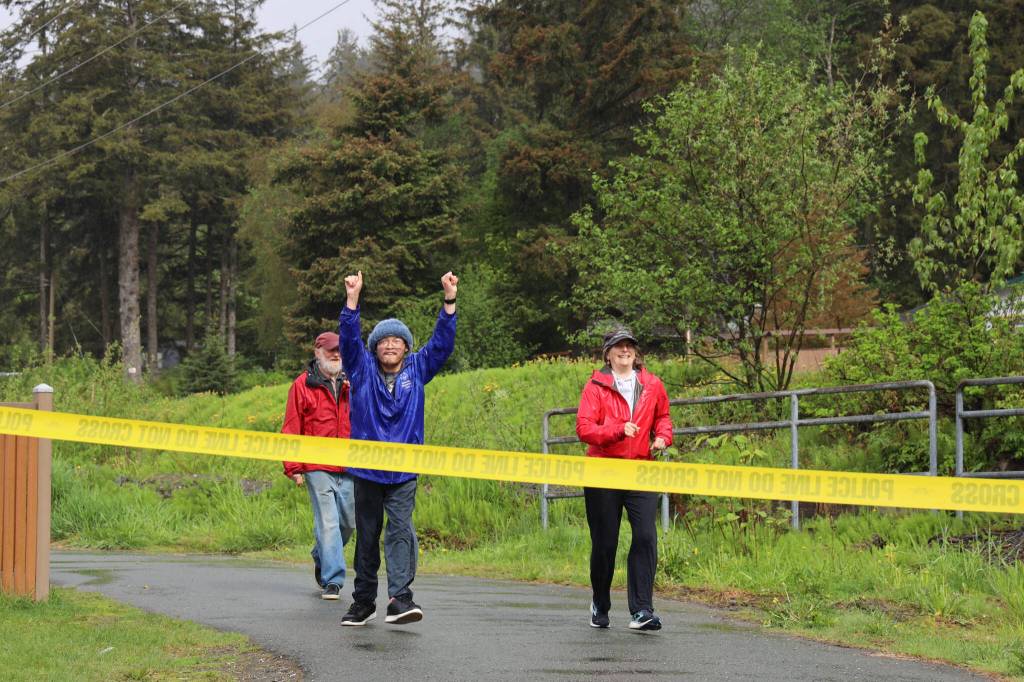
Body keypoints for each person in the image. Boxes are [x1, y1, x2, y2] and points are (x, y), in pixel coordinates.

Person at [337, 270, 458, 627]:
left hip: (404, 470)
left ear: (406, 347)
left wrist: (449, 300)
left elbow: (442, 344)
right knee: (368, 535)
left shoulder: (419, 369)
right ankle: (363, 602)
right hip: (367, 470)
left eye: (397, 341)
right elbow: (347, 339)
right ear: (374, 348)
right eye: (383, 341)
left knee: (401, 530)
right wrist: (353, 300)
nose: (390, 345)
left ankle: (401, 600)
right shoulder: (360, 369)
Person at [575, 327, 673, 631]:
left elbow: (664, 417)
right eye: (619, 346)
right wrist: (617, 430)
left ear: (636, 352)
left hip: (640, 469)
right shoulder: (595, 386)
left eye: (630, 346)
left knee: (645, 537)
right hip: (603, 471)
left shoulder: (652, 384)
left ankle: (642, 610)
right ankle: (600, 603)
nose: (625, 350)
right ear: (608, 354)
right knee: (605, 544)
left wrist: (663, 438)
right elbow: (584, 428)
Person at [281, 331, 355, 601]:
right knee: (328, 523)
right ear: (318, 353)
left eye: (340, 350)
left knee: (348, 523)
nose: (336, 354)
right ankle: (333, 581)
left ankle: (321, 554)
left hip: (351, 466)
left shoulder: (353, 381)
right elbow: (291, 427)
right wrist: (294, 467)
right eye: (331, 350)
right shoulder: (301, 385)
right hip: (316, 467)